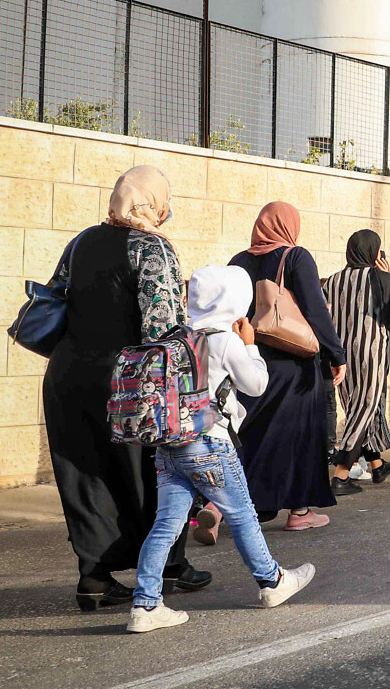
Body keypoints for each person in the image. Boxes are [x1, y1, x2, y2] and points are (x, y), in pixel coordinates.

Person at [38, 166, 209, 610]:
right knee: (153, 471)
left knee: (86, 475)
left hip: (68, 376)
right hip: (129, 380)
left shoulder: (80, 242)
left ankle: (93, 578)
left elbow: (58, 296)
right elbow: (164, 326)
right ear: (151, 201)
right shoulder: (151, 246)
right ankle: (169, 566)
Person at [125, 266, 317, 632]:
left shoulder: (178, 336)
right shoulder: (224, 340)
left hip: (171, 447)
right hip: (211, 442)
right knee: (242, 514)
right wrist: (249, 343)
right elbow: (257, 385)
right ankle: (272, 582)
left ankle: (146, 605)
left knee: (165, 525)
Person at [230, 201, 349, 529]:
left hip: (249, 357)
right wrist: (336, 355)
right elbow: (315, 310)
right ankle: (299, 512)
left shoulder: (238, 261)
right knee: (300, 435)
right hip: (293, 361)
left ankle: (219, 503)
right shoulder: (295, 257)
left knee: (249, 433)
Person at [320, 230, 390, 492]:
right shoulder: (379, 277)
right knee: (366, 406)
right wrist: (388, 277)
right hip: (371, 351)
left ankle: (376, 464)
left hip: (340, 355)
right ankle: (341, 474)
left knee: (358, 407)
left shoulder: (332, 281)